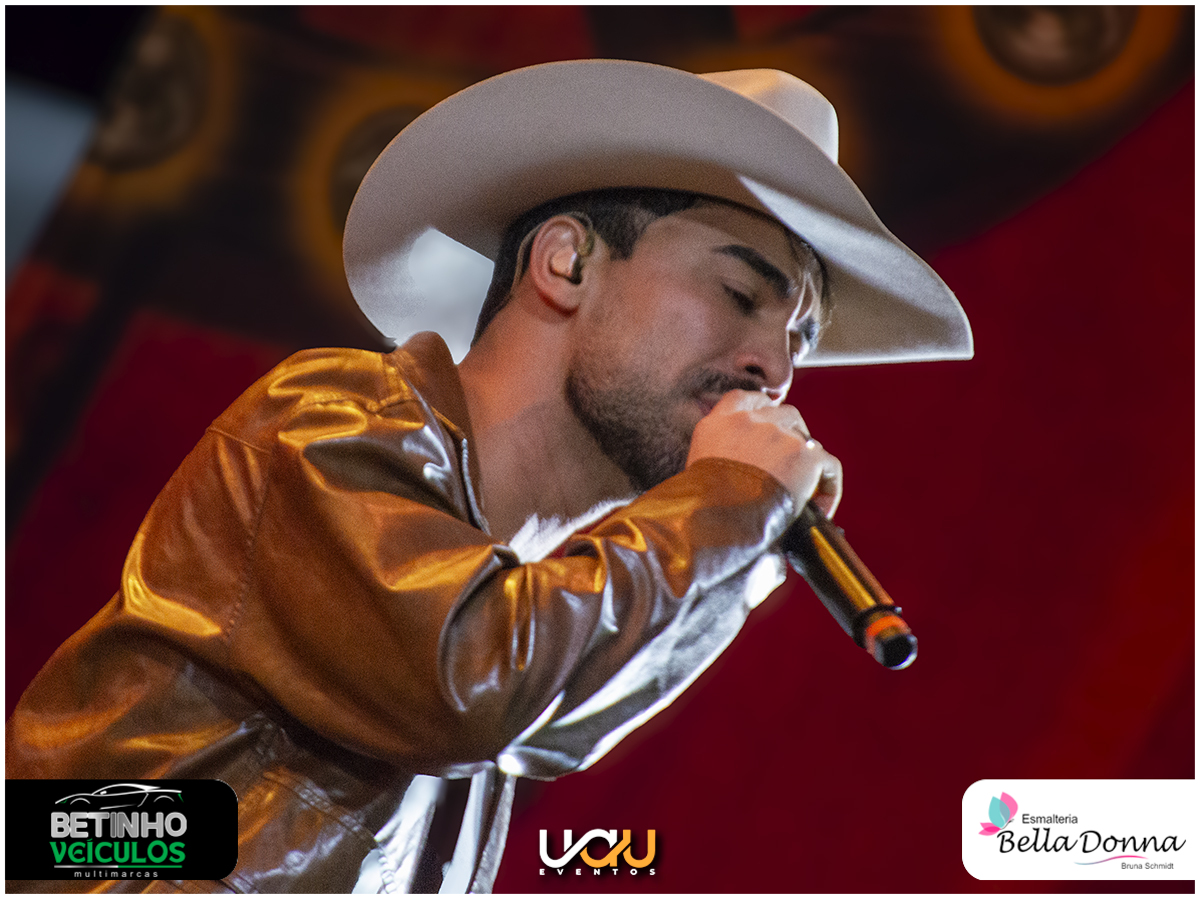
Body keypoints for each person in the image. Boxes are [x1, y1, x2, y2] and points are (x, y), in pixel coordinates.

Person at [6, 60, 971, 893]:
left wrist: (742, 546)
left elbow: (541, 720)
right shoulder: (330, 417)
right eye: (739, 293)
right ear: (567, 262)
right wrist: (731, 504)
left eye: (799, 339)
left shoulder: (528, 634)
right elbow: (470, 686)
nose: (776, 367)